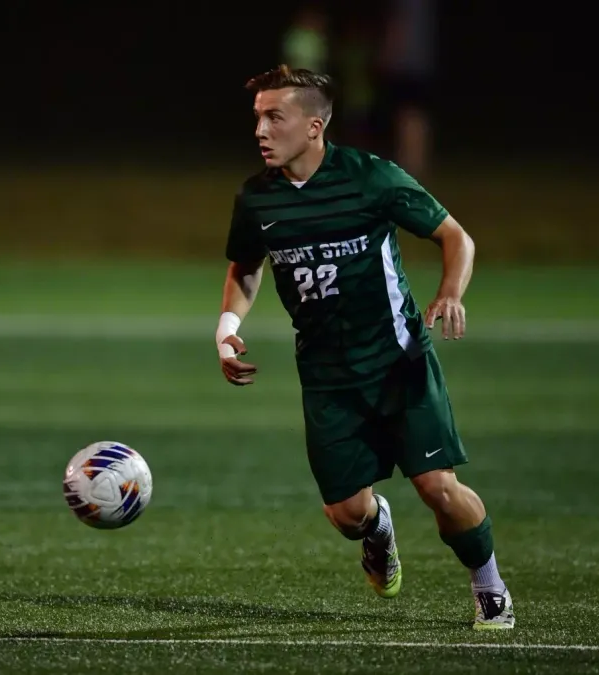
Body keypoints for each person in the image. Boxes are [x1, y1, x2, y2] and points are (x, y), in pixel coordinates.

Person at [215, 64, 514, 630]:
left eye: (274, 117)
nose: (260, 129)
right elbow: (246, 267)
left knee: (439, 489)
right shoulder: (257, 200)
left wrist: (450, 292)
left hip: (399, 362)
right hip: (327, 378)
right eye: (257, 117)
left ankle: (488, 583)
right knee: (347, 514)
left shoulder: (370, 178)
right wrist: (227, 325)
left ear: (314, 126)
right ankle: (377, 532)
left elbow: (455, 236)